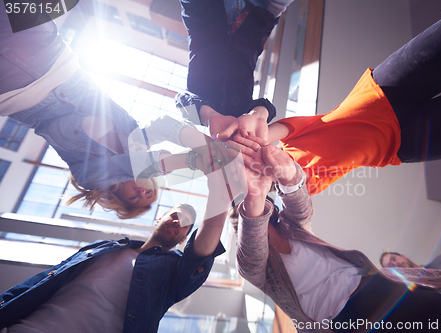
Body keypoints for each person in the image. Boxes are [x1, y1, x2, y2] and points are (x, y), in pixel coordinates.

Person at [190, 0, 441, 196]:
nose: (244, 163)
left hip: (381, 91)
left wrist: (256, 114)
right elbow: (292, 188)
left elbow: (265, 125)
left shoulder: (279, 141)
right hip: (407, 143)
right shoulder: (293, 188)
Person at [231, 134, 441, 333]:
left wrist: (288, 176)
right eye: (246, 208)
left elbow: (300, 204)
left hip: (375, 287)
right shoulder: (252, 267)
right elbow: (253, 246)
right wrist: (252, 194)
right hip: (348, 322)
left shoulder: (293, 227)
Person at [0, 6, 224, 219]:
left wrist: (194, 161)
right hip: (53, 59)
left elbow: (135, 166)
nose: (141, 191)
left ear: (118, 198)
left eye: (135, 198)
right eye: (148, 193)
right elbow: (165, 125)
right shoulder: (137, 137)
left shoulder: (89, 177)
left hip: (14, 93)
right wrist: (208, 147)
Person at [0, 152, 241, 332]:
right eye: (175, 215)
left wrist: (220, 194)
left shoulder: (172, 269)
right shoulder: (101, 248)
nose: (178, 221)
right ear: (160, 217)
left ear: (185, 238)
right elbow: (38, 283)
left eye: (186, 223)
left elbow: (200, 254)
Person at [175, 0, 297, 140]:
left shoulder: (198, 114)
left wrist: (210, 116)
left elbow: (181, 99)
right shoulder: (244, 117)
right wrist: (258, 115)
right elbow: (266, 105)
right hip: (253, 21)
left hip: (206, 15)